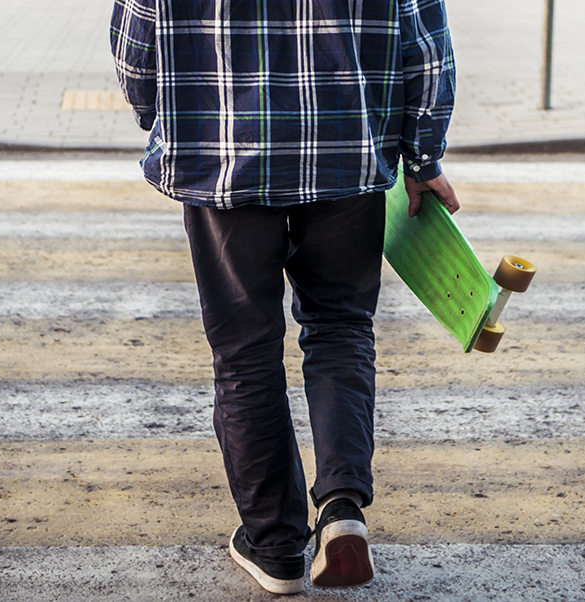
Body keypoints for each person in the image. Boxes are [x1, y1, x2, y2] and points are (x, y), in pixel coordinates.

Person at [112, 0, 457, 594]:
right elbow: (425, 41)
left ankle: (275, 547)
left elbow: (137, 44)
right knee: (341, 327)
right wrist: (422, 154)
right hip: (345, 151)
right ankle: (343, 505)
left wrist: (166, 113)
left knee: (245, 352)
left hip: (222, 156)